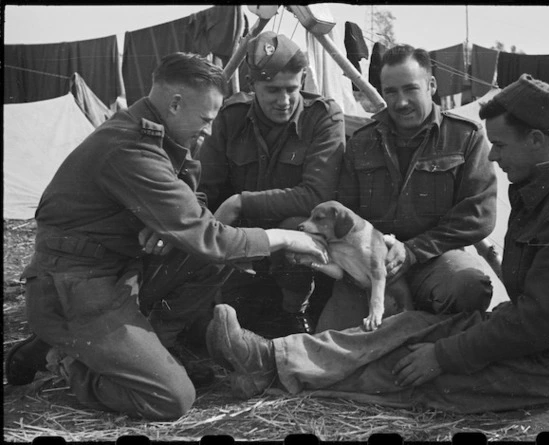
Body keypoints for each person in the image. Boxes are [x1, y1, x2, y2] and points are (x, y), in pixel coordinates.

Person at [206, 73, 549, 413]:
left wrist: (444, 357)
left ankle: (268, 370)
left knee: (409, 370)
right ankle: (273, 355)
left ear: (537, 140)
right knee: (409, 325)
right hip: (527, 331)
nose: (493, 156)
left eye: (501, 145)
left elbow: (539, 326)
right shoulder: (545, 183)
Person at [3, 52, 327, 421]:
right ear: (175, 103)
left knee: (213, 260)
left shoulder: (155, 131)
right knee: (171, 398)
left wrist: (164, 226)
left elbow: (191, 205)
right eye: (205, 119)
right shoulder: (131, 146)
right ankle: (63, 359)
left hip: (116, 271)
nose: (207, 129)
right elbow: (209, 234)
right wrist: (284, 238)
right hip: (76, 286)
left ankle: (153, 346)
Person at [315, 44, 497, 332]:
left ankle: (433, 344)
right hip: (372, 264)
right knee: (327, 344)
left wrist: (412, 251)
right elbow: (346, 211)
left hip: (434, 262)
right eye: (391, 92)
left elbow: (478, 215)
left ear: (431, 86)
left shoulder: (465, 137)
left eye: (410, 89)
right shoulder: (361, 141)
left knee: (468, 285)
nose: (400, 102)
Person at [197, 31, 345, 336]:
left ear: (303, 79)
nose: (284, 100)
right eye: (272, 90)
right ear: (252, 86)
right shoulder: (231, 118)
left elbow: (317, 195)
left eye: (292, 89)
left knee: (297, 226)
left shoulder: (323, 118)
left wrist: (241, 201)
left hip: (297, 248)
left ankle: (296, 312)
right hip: (243, 242)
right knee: (224, 324)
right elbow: (204, 188)